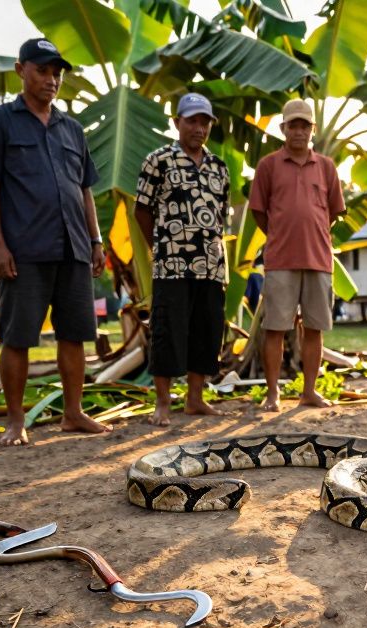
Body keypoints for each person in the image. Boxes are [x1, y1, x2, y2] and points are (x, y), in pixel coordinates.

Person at [0, 38, 110, 446]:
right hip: (24, 249)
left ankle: (73, 413)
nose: (52, 80)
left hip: (73, 246)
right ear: (21, 70)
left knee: (74, 333)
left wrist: (96, 240)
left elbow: (84, 189)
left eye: (58, 73)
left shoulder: (72, 128)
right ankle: (16, 421)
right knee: (18, 337)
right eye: (42, 71)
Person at [135, 93, 231, 426]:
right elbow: (142, 210)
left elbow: (221, 217)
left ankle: (195, 399)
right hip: (171, 266)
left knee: (206, 332)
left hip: (211, 266)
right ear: (177, 122)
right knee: (168, 332)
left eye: (205, 122)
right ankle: (163, 403)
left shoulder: (219, 168)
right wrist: (160, 247)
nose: (199, 127)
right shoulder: (158, 160)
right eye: (192, 120)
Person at [248, 99, 345, 412]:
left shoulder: (327, 167)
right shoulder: (268, 166)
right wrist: (282, 234)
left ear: (312, 129)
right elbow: (259, 213)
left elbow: (332, 212)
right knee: (275, 328)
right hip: (280, 259)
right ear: (283, 129)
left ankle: (309, 392)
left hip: (318, 259)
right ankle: (273, 393)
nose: (299, 131)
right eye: (294, 125)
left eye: (305, 125)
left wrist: (309, 233)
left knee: (314, 328)